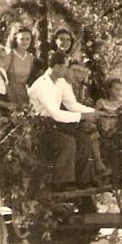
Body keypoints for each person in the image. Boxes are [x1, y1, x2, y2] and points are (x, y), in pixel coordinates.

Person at [28, 51, 98, 189]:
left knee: (84, 140)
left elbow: (71, 104)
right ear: (56, 67)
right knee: (67, 142)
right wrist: (83, 116)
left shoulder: (60, 82)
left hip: (56, 124)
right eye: (66, 67)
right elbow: (56, 114)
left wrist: (93, 112)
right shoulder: (41, 85)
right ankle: (62, 182)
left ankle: (83, 181)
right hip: (40, 127)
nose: (67, 71)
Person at [4, 23, 42, 107]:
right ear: (16, 39)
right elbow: (3, 77)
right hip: (8, 94)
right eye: (22, 39)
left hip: (24, 95)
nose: (25, 42)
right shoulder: (9, 54)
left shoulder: (31, 58)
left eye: (27, 39)